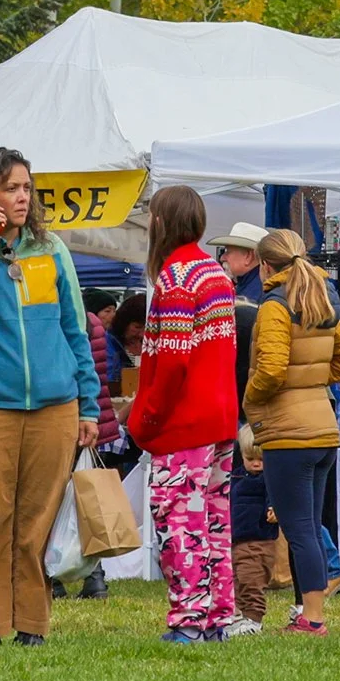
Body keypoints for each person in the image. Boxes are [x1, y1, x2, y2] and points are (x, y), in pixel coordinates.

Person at [0, 146, 98, 647]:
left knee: (35, 527)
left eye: (27, 187)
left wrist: (89, 403)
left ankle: (32, 627)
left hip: (54, 408)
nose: (23, 197)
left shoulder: (51, 250)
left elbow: (75, 329)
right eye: (11, 188)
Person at [126, 183, 238, 646]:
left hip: (184, 423)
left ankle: (189, 618)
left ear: (160, 222)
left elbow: (172, 362)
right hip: (219, 417)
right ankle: (217, 617)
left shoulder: (175, 279)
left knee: (179, 522)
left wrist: (146, 419)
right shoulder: (215, 273)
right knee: (213, 520)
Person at [244, 228, 340, 636]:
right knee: (309, 526)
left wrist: (250, 398)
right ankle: (307, 613)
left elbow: (271, 369)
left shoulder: (274, 305)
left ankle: (313, 618)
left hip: (289, 433)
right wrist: (311, 382)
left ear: (265, 266)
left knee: (298, 530)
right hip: (324, 428)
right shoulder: (320, 298)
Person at [218, 224, 274, 636]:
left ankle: (251, 603)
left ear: (251, 257)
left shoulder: (251, 303)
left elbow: (256, 368)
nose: (224, 258)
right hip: (252, 410)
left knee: (253, 493)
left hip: (248, 411)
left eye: (230, 251)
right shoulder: (256, 297)